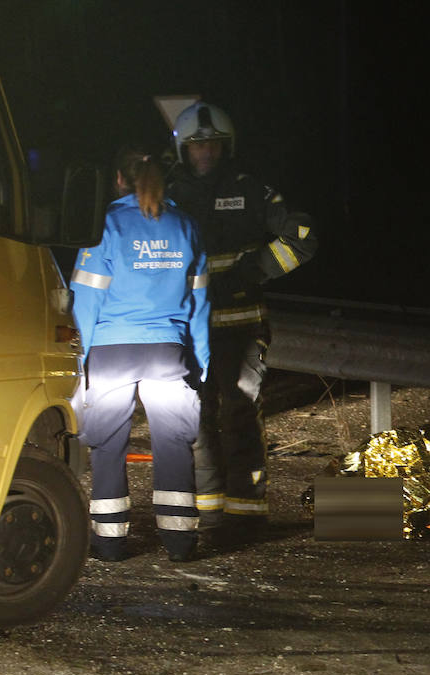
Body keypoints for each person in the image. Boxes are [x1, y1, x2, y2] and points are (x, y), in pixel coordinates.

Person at [164, 100, 318, 548]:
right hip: (189, 328)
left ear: (225, 147)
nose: (205, 153)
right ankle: (210, 513)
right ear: (182, 152)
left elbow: (302, 237)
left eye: (212, 145)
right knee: (195, 419)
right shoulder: (169, 194)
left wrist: (252, 271)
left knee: (239, 416)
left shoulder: (251, 191)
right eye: (197, 147)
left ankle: (248, 514)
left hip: (242, 328)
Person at [70, 147, 211, 563]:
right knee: (174, 445)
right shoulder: (186, 226)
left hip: (111, 351)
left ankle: (110, 542)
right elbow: (200, 303)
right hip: (168, 352)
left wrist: (79, 362)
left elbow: (85, 301)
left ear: (117, 180)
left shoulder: (105, 227)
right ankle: (181, 542)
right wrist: (201, 359)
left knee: (108, 446)